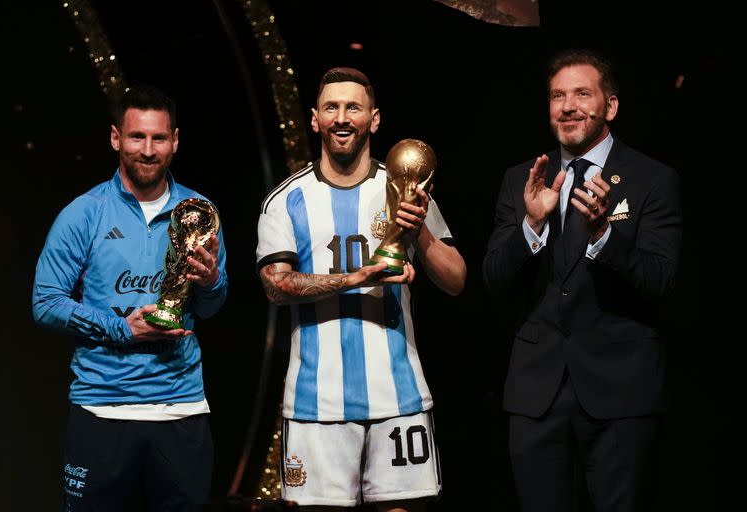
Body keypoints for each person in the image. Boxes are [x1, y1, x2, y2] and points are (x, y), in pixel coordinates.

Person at [256, 67, 466, 511]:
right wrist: (357, 277)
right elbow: (275, 287)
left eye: (354, 106)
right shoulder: (287, 199)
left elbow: (455, 280)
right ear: (315, 119)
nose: (342, 117)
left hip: (399, 398)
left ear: (374, 119)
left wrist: (419, 233)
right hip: (316, 404)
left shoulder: (406, 189)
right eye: (331, 107)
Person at [482, 48, 682, 511]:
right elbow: (493, 278)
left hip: (621, 395)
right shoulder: (521, 180)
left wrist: (605, 236)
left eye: (581, 94)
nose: (568, 106)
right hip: (536, 397)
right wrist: (530, 227)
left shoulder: (652, 178)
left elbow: (661, 280)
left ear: (610, 106)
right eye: (557, 96)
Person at [32, 84, 227, 511]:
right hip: (102, 410)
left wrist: (211, 282)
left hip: (181, 410)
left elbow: (211, 308)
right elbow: (45, 301)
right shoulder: (83, 213)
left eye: (159, 138)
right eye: (137, 137)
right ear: (116, 138)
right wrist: (122, 329)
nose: (148, 149)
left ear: (175, 140)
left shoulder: (198, 211)